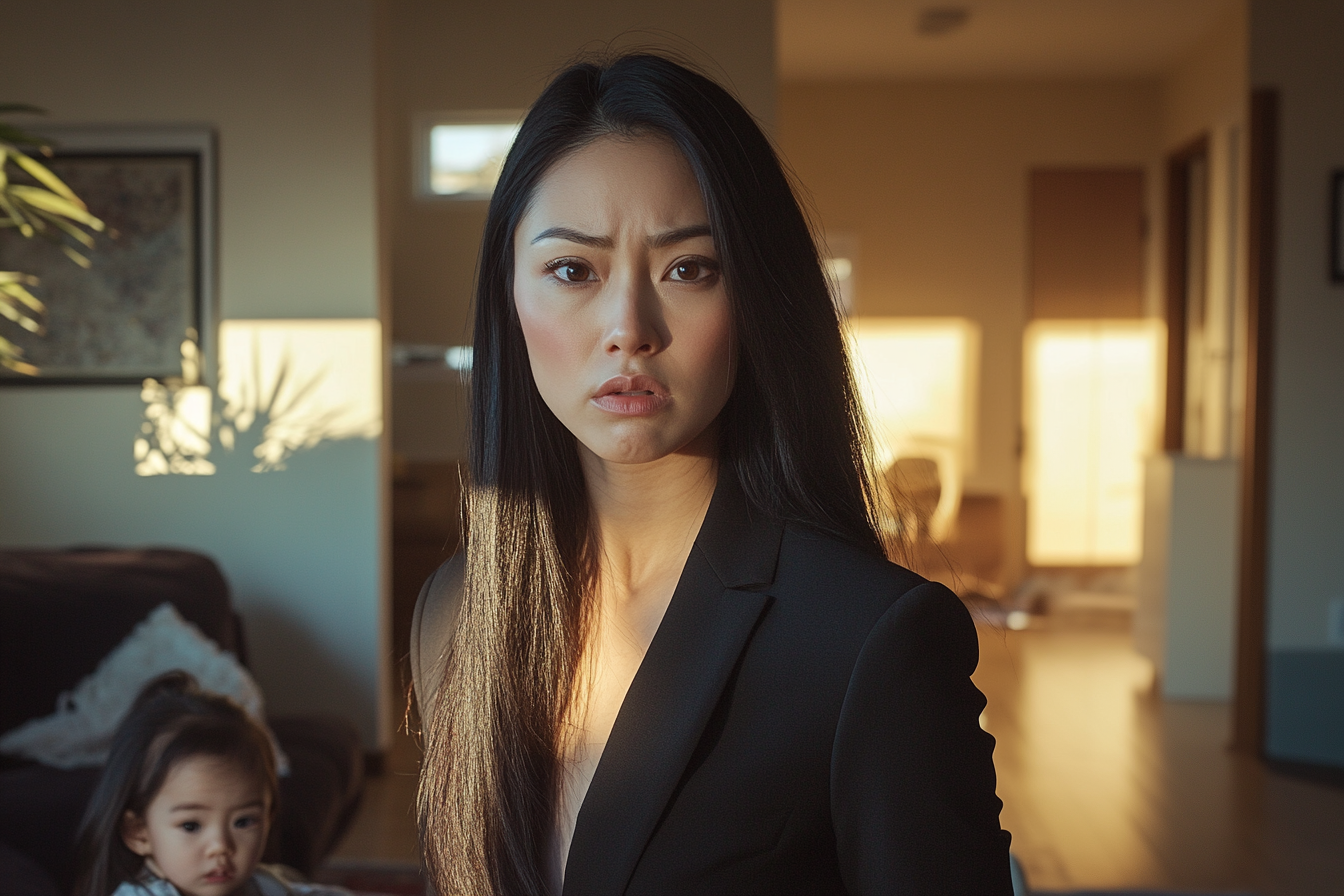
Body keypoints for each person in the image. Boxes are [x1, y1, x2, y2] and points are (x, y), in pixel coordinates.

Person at [411, 52, 1012, 895]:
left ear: (758, 298)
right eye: (573, 270)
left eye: (688, 268)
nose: (628, 327)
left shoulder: (871, 642)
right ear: (509, 301)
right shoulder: (455, 612)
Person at [71, 672, 349, 896]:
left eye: (244, 821)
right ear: (139, 833)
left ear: (269, 816)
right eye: (191, 825)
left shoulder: (263, 886)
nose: (220, 846)